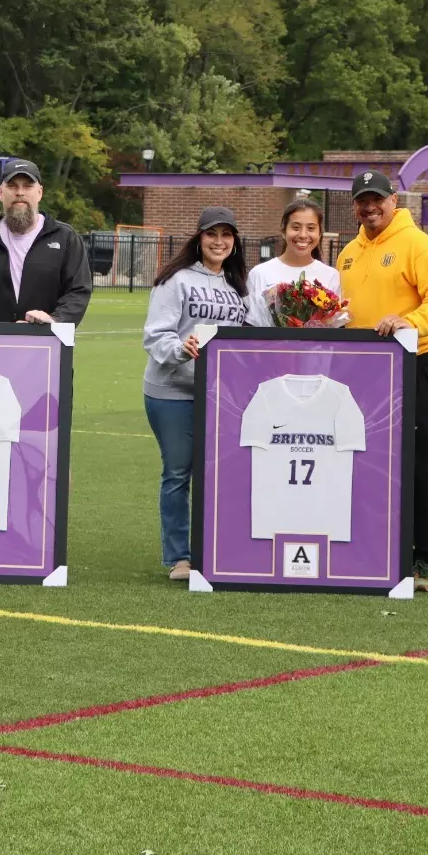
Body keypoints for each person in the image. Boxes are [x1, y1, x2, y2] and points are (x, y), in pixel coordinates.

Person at [336, 170, 428, 592]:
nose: (370, 207)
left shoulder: (418, 244)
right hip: (358, 368)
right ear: (355, 205)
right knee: (360, 455)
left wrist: (408, 322)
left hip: (410, 363)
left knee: (414, 456)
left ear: (394, 199)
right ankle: (372, 544)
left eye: (377, 199)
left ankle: (422, 557)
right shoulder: (348, 251)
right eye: (362, 201)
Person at [142, 207, 250, 581]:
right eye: (211, 234)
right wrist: (180, 348)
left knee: (223, 473)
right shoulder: (176, 280)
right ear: (199, 238)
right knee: (178, 472)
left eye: (226, 235)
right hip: (172, 390)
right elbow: (155, 335)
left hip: (221, 395)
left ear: (235, 242)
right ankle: (179, 558)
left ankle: (219, 549)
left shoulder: (239, 285)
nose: (219, 241)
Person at [0, 158, 91, 324]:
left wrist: (55, 320)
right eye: (12, 186)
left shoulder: (65, 238)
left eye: (27, 186)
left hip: (45, 344)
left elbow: (78, 291)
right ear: (0, 192)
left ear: (40, 192)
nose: (20, 192)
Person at [245, 197, 340, 323]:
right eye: (295, 227)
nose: (302, 235)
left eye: (311, 228)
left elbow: (336, 327)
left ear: (320, 233)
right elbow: (250, 325)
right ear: (283, 231)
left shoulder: (331, 275)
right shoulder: (259, 273)